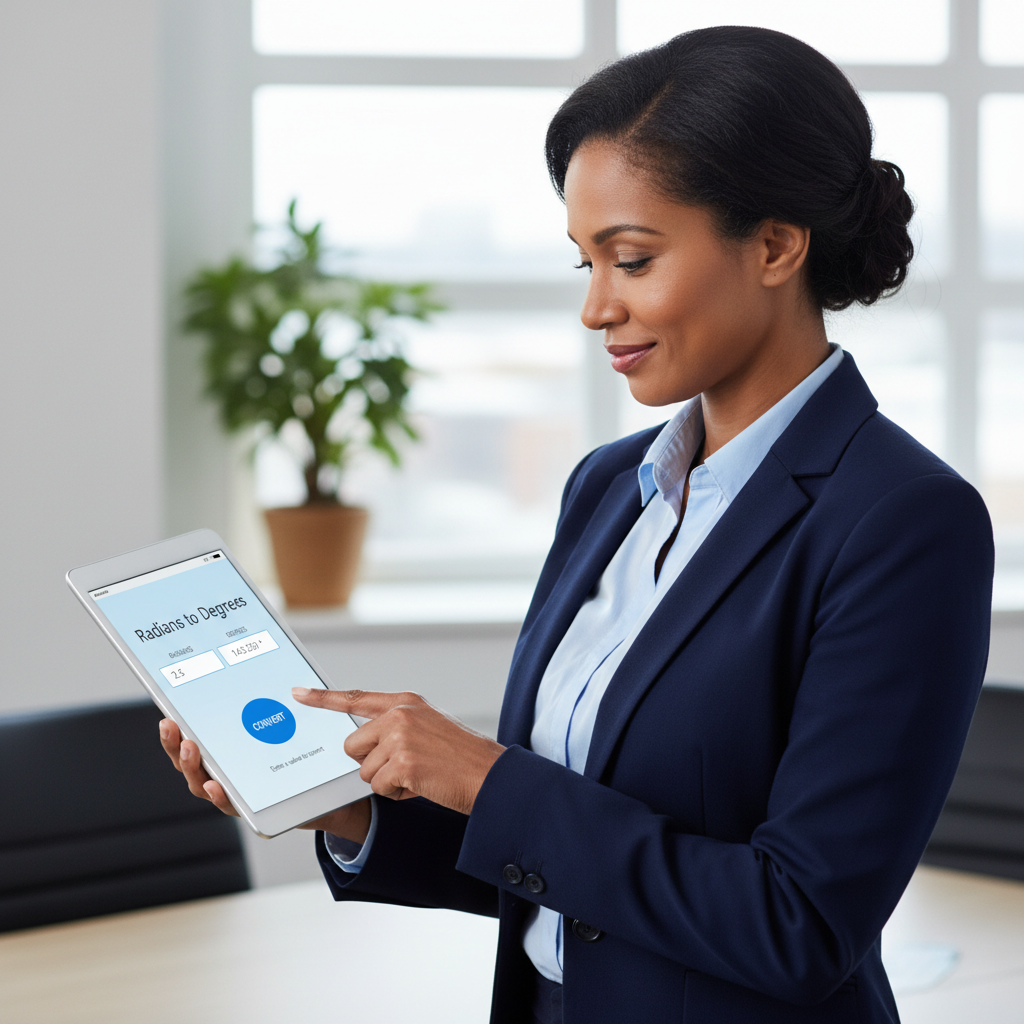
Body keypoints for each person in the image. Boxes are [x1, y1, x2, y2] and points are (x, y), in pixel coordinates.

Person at [161, 26, 994, 1024]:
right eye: (584, 264)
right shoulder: (607, 489)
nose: (597, 308)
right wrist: (349, 809)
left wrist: (488, 778)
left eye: (632, 259)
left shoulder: (903, 520)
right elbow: (561, 876)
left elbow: (800, 924)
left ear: (776, 246)